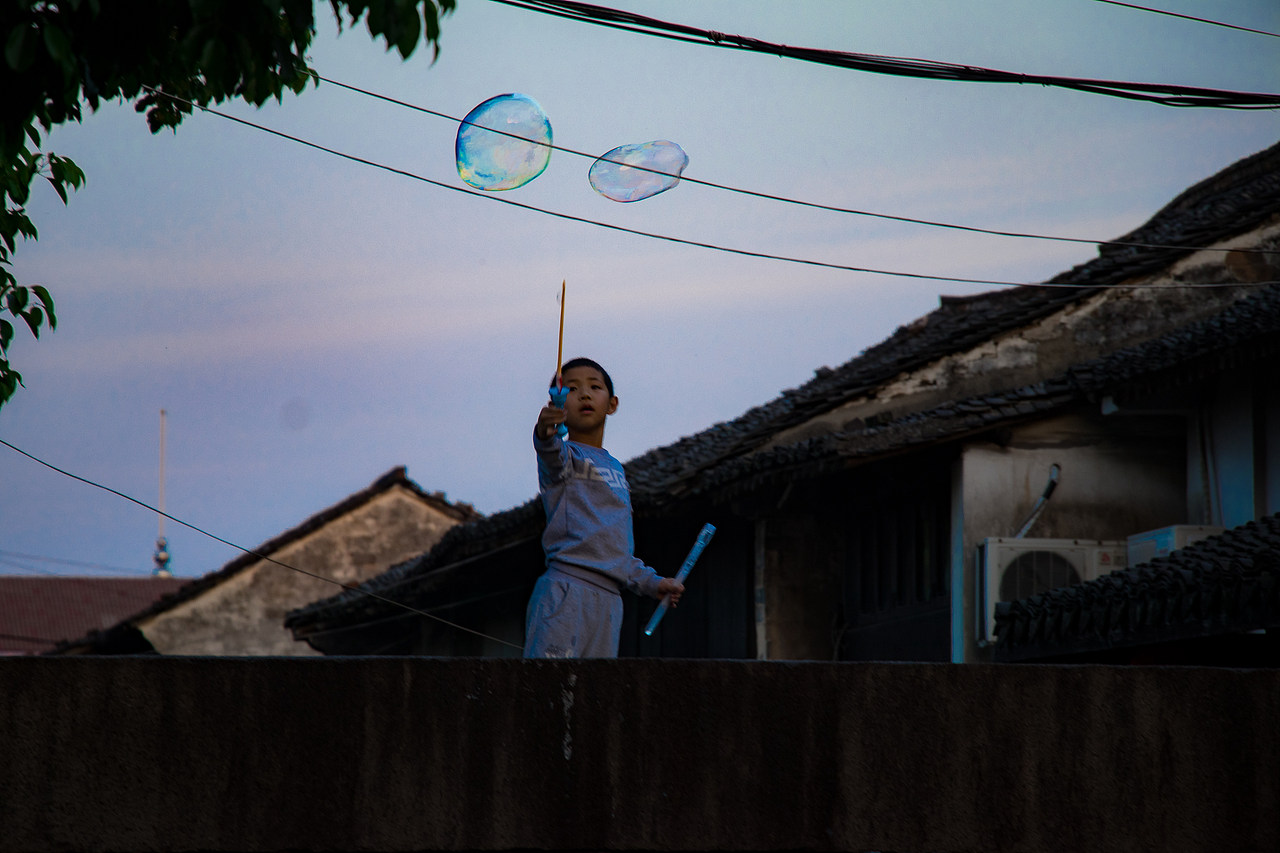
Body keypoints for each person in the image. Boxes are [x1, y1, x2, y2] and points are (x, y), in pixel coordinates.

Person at [524, 357, 684, 658]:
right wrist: (545, 432)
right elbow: (548, 450)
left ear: (612, 404)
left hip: (611, 601)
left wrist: (654, 584)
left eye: (594, 387)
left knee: (592, 697)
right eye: (571, 389)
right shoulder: (563, 457)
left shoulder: (616, 470)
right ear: (557, 405)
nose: (584, 394)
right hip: (566, 590)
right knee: (547, 692)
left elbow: (619, 551)